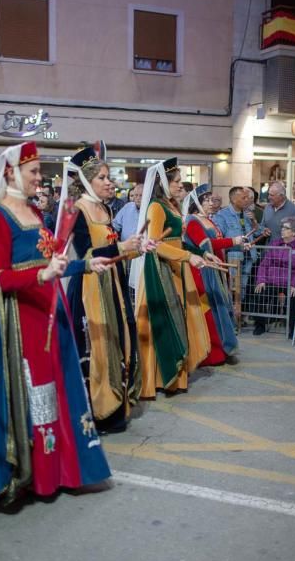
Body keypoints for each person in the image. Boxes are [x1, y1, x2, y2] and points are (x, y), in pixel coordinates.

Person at [0, 141, 111, 509]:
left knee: (63, 392)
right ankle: (40, 477)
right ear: (11, 173)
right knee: (42, 398)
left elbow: (55, 262)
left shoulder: (34, 211)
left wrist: (84, 266)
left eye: (38, 171)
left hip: (54, 312)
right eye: (33, 171)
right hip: (26, 322)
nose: (39, 177)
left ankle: (65, 471)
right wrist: (42, 275)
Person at [66, 144, 143, 433]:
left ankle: (114, 403)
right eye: (102, 177)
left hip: (111, 282)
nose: (109, 182)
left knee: (115, 340)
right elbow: (86, 254)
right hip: (89, 288)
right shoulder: (77, 211)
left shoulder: (105, 207)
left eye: (108, 176)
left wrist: (136, 249)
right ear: (86, 181)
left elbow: (113, 249)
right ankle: (97, 410)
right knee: (96, 346)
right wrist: (122, 246)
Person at [133, 158, 211, 399]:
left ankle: (175, 377)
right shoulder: (157, 207)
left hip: (177, 269)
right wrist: (188, 256)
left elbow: (178, 240)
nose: (181, 185)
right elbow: (155, 245)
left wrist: (202, 252)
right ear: (163, 183)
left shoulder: (171, 205)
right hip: (161, 271)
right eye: (176, 181)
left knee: (178, 320)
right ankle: (158, 379)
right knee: (162, 322)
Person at [183, 186, 241, 365]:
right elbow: (206, 245)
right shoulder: (193, 221)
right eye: (207, 200)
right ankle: (211, 353)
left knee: (220, 308)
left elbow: (215, 243)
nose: (211, 203)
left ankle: (223, 348)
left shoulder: (209, 220)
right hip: (202, 271)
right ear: (198, 203)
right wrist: (233, 241)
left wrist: (239, 244)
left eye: (212, 200)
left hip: (214, 268)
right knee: (209, 310)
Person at [252, 217, 295, 339]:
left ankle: (292, 329)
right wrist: (261, 280)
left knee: (294, 297)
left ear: (294, 232)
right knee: (259, 293)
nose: (282, 230)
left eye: (285, 228)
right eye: (282, 228)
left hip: (291, 282)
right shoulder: (275, 243)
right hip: (272, 280)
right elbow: (265, 263)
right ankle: (260, 325)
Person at [213, 186, 263, 300]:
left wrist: (254, 221)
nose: (247, 200)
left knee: (243, 286)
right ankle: (231, 312)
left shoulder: (248, 213)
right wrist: (235, 241)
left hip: (249, 255)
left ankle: (239, 312)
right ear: (234, 199)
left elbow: (256, 231)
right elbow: (219, 237)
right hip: (233, 256)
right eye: (244, 198)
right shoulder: (221, 215)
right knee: (233, 286)